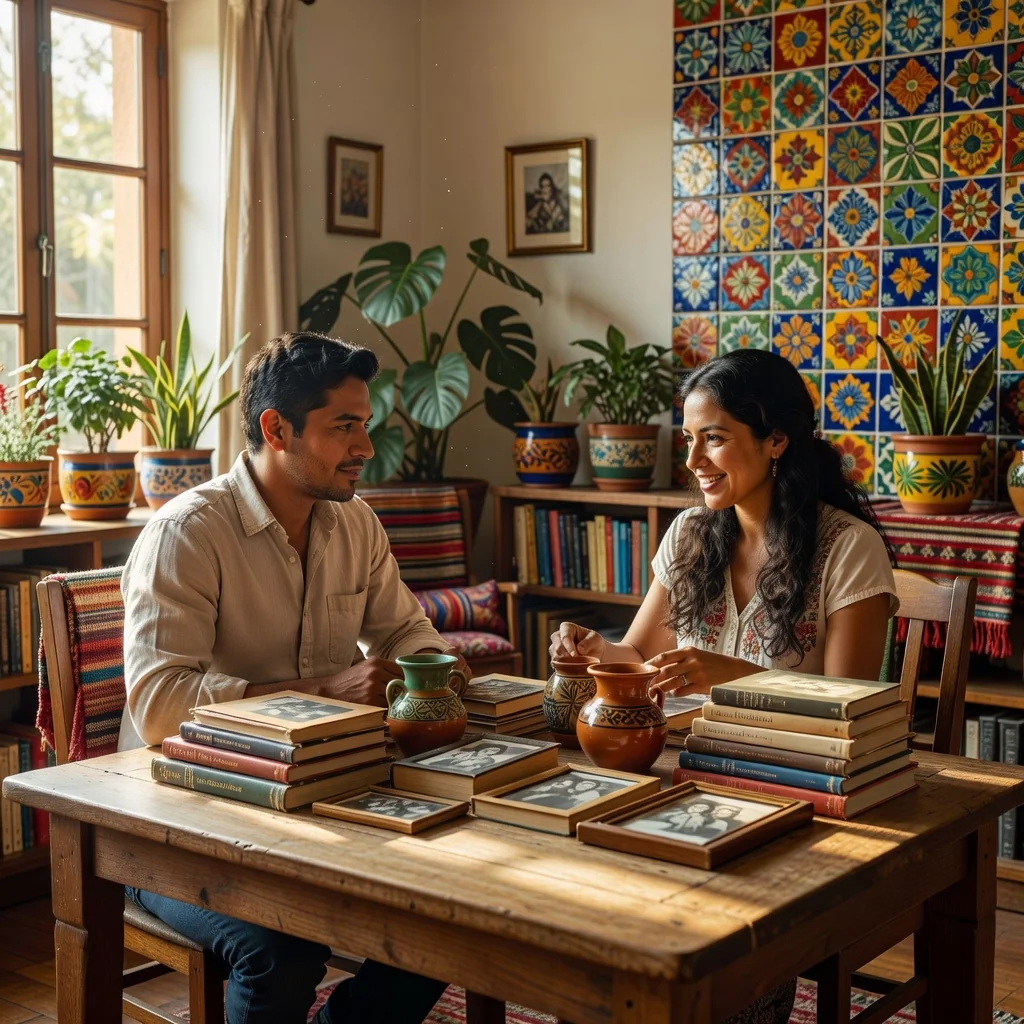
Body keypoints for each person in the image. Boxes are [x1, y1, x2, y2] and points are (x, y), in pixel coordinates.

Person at [121, 332, 471, 1024]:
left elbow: (405, 632)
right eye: (344, 428)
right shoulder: (188, 533)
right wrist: (315, 695)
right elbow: (160, 706)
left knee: (450, 926)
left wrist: (438, 668)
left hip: (317, 796)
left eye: (363, 426)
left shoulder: (356, 522)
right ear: (275, 429)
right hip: (176, 823)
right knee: (281, 949)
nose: (365, 448)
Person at [550, 348, 898, 1024]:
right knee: (589, 921)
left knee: (716, 960)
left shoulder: (848, 547)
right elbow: (636, 652)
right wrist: (591, 647)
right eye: (689, 439)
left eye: (714, 437)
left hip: (802, 802)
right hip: (688, 779)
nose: (694, 461)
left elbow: (849, 707)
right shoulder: (688, 536)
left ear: (776, 439)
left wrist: (741, 679)